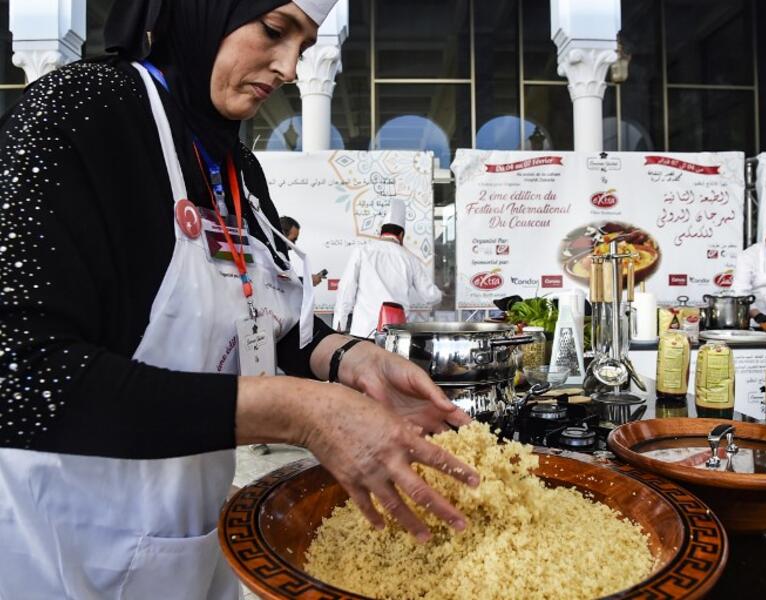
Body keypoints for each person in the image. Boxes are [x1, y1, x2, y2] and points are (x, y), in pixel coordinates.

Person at [0, 1, 479, 598]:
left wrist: (350, 358)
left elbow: (265, 323)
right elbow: (23, 378)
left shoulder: (235, 165)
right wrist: (302, 414)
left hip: (194, 539)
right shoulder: (80, 113)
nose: (287, 68)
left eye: (303, 48)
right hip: (65, 551)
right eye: (274, 31)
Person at [333, 197, 443, 337]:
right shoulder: (410, 258)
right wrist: (441, 294)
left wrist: (339, 324)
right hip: (396, 336)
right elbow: (431, 296)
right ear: (401, 235)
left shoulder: (362, 251)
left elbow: (346, 288)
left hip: (364, 332)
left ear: (381, 233)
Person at [280, 214, 325, 286]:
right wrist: (307, 281)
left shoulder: (280, 255)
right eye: (293, 240)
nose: (293, 245)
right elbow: (279, 278)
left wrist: (307, 280)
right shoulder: (269, 253)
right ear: (282, 234)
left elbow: (283, 277)